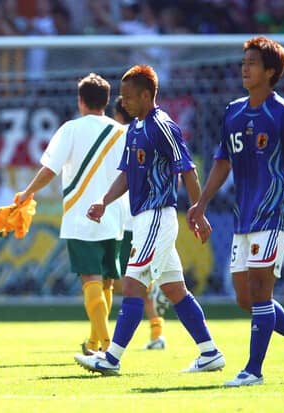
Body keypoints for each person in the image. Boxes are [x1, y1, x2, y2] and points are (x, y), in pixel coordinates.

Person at [74, 65, 225, 375]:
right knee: (175, 290)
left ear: (146, 95)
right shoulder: (135, 128)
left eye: (129, 96)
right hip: (144, 218)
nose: (124, 102)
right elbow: (127, 174)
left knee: (132, 286)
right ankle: (210, 353)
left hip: (157, 216)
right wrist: (104, 201)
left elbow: (188, 170)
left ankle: (111, 358)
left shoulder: (163, 126)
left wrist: (198, 210)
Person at [187, 36, 284, 387]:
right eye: (244, 62)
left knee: (260, 289)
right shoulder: (233, 111)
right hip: (243, 217)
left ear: (270, 71)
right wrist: (201, 202)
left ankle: (253, 370)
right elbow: (222, 161)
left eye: (253, 63)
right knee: (246, 297)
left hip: (273, 213)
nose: (245, 68)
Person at [16, 73, 127, 355]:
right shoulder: (121, 132)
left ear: (81, 101)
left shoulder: (71, 129)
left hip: (81, 217)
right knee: (106, 282)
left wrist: (27, 192)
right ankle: (94, 342)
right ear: (106, 101)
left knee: (90, 279)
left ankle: (107, 347)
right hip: (114, 216)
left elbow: (50, 170)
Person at [112, 96, 168, 351]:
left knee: (123, 281)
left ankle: (104, 342)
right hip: (142, 214)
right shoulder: (145, 132)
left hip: (124, 218)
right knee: (135, 281)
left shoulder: (119, 134)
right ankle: (156, 332)